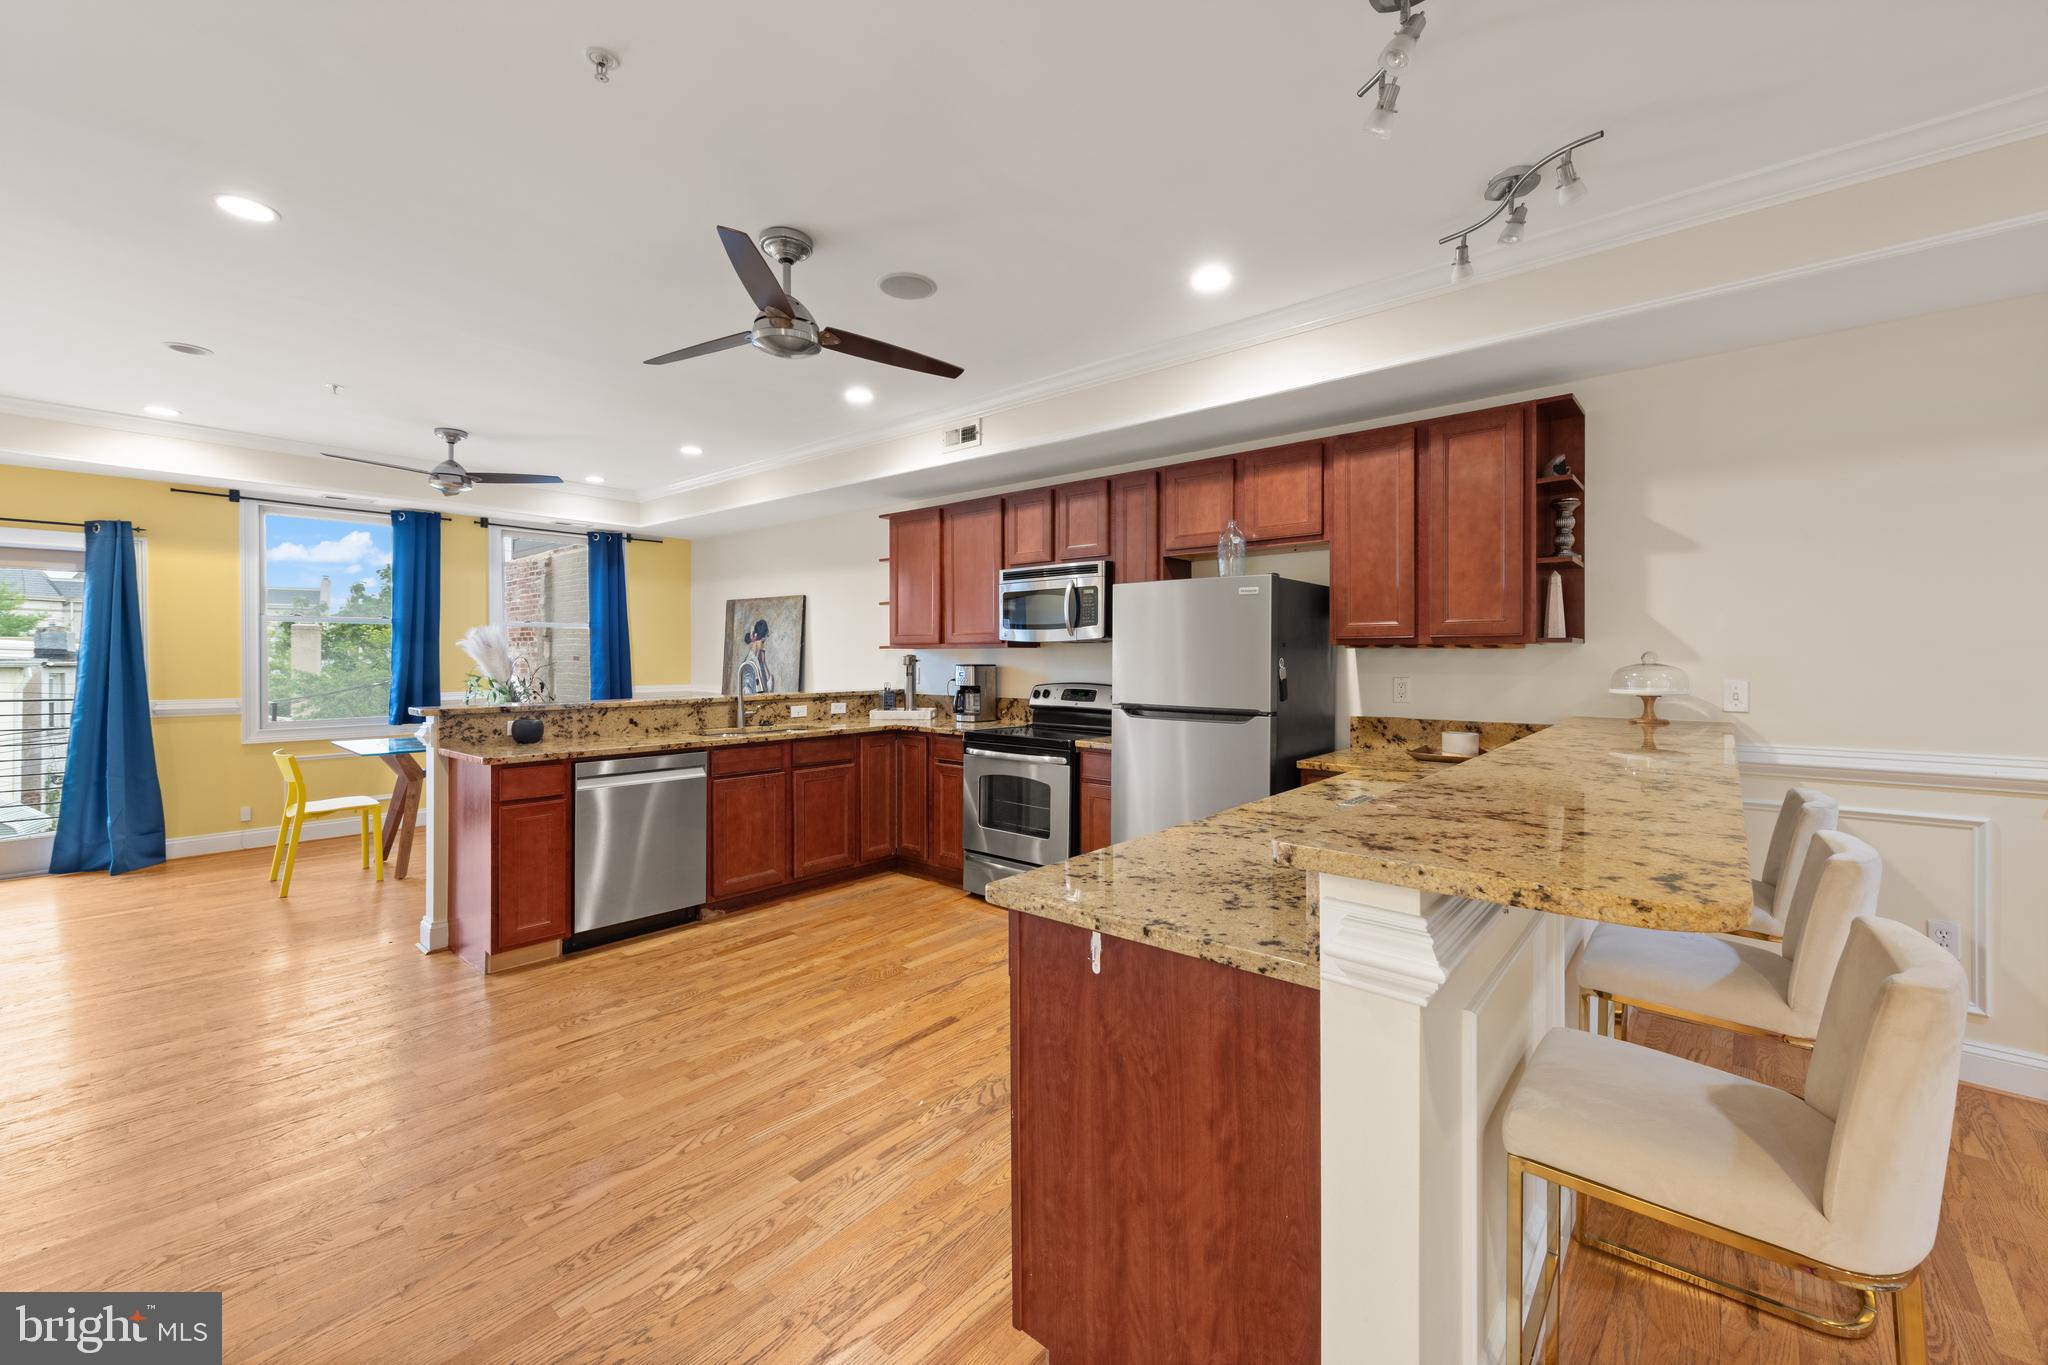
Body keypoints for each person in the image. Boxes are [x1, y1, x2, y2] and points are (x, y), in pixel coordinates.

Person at [737, 617, 775, 695]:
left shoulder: (759, 661)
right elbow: (747, 692)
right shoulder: (749, 664)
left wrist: (763, 663)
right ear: (758, 640)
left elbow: (769, 688)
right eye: (763, 642)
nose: (763, 646)